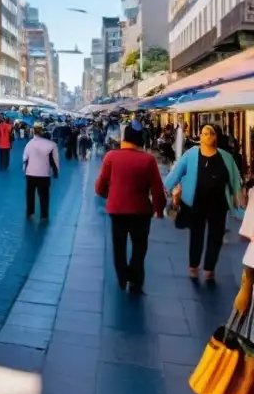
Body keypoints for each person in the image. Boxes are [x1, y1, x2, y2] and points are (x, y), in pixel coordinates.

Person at [164, 123, 242, 284]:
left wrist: (237, 198)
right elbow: (177, 171)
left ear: (216, 137)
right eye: (205, 133)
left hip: (219, 204)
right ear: (200, 136)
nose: (208, 136)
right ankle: (193, 266)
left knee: (216, 236)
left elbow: (235, 179)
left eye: (211, 133)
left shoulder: (226, 157)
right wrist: (165, 188)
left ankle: (209, 269)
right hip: (196, 202)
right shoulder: (191, 154)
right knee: (196, 235)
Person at [95, 120, 167, 294]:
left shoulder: (111, 156)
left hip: (117, 210)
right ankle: (136, 280)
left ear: (124, 138)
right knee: (139, 247)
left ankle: (122, 277)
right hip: (141, 211)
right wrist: (159, 210)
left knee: (118, 247)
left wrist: (110, 196)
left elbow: (99, 187)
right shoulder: (149, 160)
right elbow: (157, 189)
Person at [23, 123, 59, 220]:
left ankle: (30, 212)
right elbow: (55, 160)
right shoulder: (51, 145)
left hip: (30, 173)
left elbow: (25, 159)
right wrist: (56, 172)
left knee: (30, 194)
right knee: (44, 195)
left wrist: (24, 171)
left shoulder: (29, 144)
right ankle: (44, 215)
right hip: (44, 174)